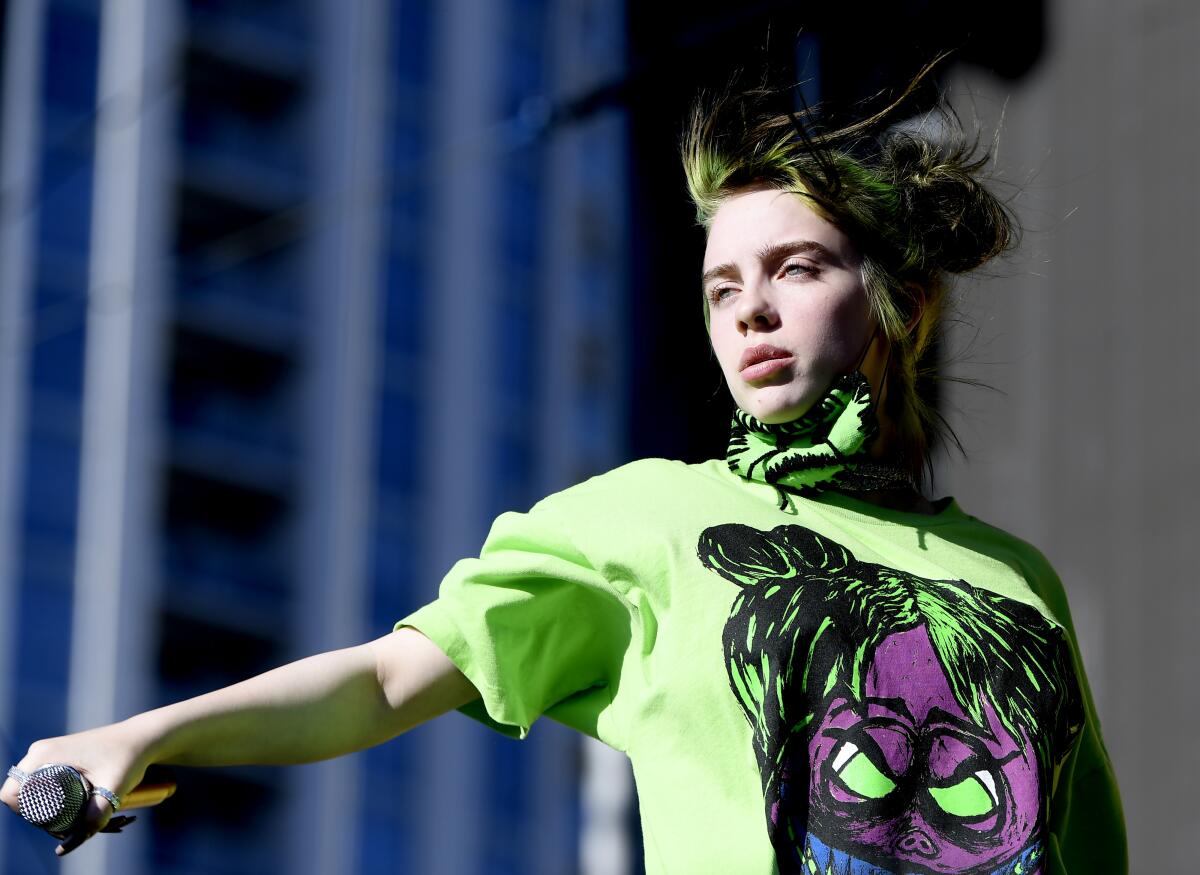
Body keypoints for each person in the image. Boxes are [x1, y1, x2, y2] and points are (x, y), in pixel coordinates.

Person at [2, 69, 1127, 874]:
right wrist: (146, 733)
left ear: (901, 299)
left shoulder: (1016, 579)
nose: (753, 311)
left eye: (796, 267)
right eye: (722, 288)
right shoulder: (650, 518)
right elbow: (392, 677)